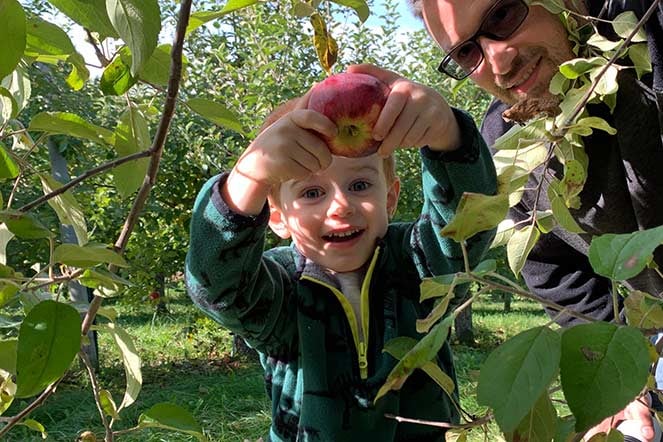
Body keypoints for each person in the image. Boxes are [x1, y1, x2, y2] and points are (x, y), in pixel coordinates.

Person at [185, 65, 497, 441]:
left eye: (361, 184)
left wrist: (448, 135)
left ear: (391, 197)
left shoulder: (417, 265)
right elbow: (216, 286)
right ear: (278, 217)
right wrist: (247, 180)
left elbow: (467, 230)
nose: (341, 206)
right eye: (312, 193)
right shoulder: (282, 291)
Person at [406, 0, 663, 440]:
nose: (498, 62)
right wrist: (624, 378)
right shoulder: (508, 151)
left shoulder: (649, 27)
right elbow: (553, 270)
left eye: (503, 15)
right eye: (467, 53)